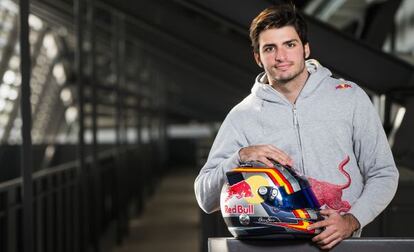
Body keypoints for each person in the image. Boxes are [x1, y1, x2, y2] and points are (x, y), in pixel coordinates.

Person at [194, 2, 399, 250]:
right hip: (274, 247)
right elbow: (205, 198)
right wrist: (239, 157)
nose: (281, 56)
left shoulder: (349, 98)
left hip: (342, 244)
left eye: (289, 44)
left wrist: (352, 220)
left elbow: (383, 173)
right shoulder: (242, 116)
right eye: (270, 48)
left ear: (305, 48)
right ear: (258, 57)